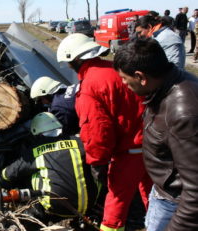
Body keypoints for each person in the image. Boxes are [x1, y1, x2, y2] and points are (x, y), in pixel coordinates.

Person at [56, 33, 152, 231]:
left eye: (68, 62)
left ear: (75, 59)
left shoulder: (90, 85)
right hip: (152, 144)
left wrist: (97, 162)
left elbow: (97, 130)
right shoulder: (116, 70)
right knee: (154, 197)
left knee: (114, 206)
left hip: (129, 153)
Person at [113, 37, 198, 231]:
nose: (124, 84)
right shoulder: (165, 85)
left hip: (174, 204)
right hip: (163, 191)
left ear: (141, 77)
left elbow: (195, 192)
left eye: (125, 79)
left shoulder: (182, 113)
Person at [0, 112, 98, 220]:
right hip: (89, 204)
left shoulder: (35, 151)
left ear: (37, 133)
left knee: (33, 173)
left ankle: (39, 211)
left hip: (56, 208)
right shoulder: (78, 142)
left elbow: (11, 172)